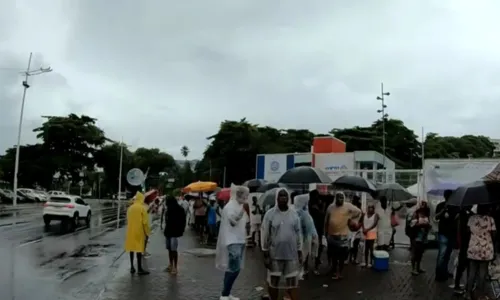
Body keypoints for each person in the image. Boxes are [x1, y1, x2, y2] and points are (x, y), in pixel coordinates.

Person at [261, 188, 302, 300]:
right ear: (277, 198)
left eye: (285, 196)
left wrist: (300, 251)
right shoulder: (270, 214)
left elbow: (298, 233)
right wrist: (265, 254)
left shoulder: (294, 215)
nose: (283, 198)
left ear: (288, 198)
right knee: (273, 283)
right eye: (281, 196)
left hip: (291, 256)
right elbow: (265, 234)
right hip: (275, 256)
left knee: (293, 283)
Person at [215, 184, 250, 300]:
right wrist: (242, 211)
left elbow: (243, 223)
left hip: (239, 240)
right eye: (245, 195)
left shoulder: (239, 205)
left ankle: (226, 293)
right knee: (234, 268)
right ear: (239, 195)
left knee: (234, 268)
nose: (246, 198)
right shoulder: (230, 206)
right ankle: (224, 294)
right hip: (232, 241)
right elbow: (233, 222)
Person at [324, 191, 361, 280]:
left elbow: (359, 212)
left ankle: (339, 272)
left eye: (341, 197)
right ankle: (333, 269)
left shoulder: (348, 206)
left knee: (341, 256)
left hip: (343, 236)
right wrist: (325, 232)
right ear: (335, 198)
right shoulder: (330, 207)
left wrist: (352, 221)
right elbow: (326, 221)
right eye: (338, 197)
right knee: (333, 255)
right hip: (331, 236)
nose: (340, 199)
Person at [466, 204, 496, 300]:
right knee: (483, 273)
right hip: (485, 248)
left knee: (472, 272)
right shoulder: (490, 219)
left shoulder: (471, 218)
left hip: (473, 248)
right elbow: (494, 234)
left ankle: (468, 293)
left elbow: (467, 231)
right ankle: (481, 295)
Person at [124, 191, 151, 275]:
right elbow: (145, 222)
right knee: (139, 249)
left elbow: (128, 219)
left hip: (130, 231)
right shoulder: (142, 208)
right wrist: (147, 233)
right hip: (139, 231)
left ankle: (132, 267)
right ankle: (139, 268)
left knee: (131, 249)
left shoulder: (130, 208)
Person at [294, 194, 319, 278]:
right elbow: (300, 226)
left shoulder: (304, 211)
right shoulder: (299, 213)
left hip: (310, 234)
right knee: (304, 253)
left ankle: (306, 269)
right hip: (305, 236)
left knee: (308, 253)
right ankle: (303, 269)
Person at [434, 190, 457, 282]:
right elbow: (436, 217)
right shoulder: (440, 205)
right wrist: (443, 210)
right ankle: (438, 274)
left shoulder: (455, 206)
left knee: (447, 254)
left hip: (452, 233)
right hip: (443, 233)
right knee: (442, 254)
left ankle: (444, 271)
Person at [161, 195, 186, 275]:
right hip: (169, 231)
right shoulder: (168, 209)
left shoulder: (179, 209)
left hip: (174, 232)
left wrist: (181, 230)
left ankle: (174, 267)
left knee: (173, 249)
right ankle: (171, 265)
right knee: (170, 248)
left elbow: (183, 221)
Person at [453, 206, 473, 295]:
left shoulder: (462, 215)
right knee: (464, 266)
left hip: (466, 244)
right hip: (465, 244)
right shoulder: (463, 215)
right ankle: (463, 286)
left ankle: (462, 285)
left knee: (463, 266)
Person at [410, 205, 431, 275]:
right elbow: (412, 225)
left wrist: (427, 226)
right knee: (415, 254)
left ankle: (418, 268)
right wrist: (422, 225)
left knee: (420, 254)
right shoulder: (415, 216)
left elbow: (428, 226)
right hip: (416, 238)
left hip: (423, 238)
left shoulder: (426, 216)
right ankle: (413, 269)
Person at [308, 190, 325, 274]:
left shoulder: (312, 205)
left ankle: (315, 264)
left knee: (318, 247)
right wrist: (322, 206)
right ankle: (315, 266)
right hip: (315, 229)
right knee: (317, 247)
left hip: (317, 229)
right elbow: (321, 214)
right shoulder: (313, 207)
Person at [349, 196, 363, 264]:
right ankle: (351, 258)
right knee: (352, 245)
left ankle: (353, 258)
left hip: (356, 230)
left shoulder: (360, 212)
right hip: (352, 230)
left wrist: (357, 226)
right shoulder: (350, 211)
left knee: (354, 245)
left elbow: (361, 221)